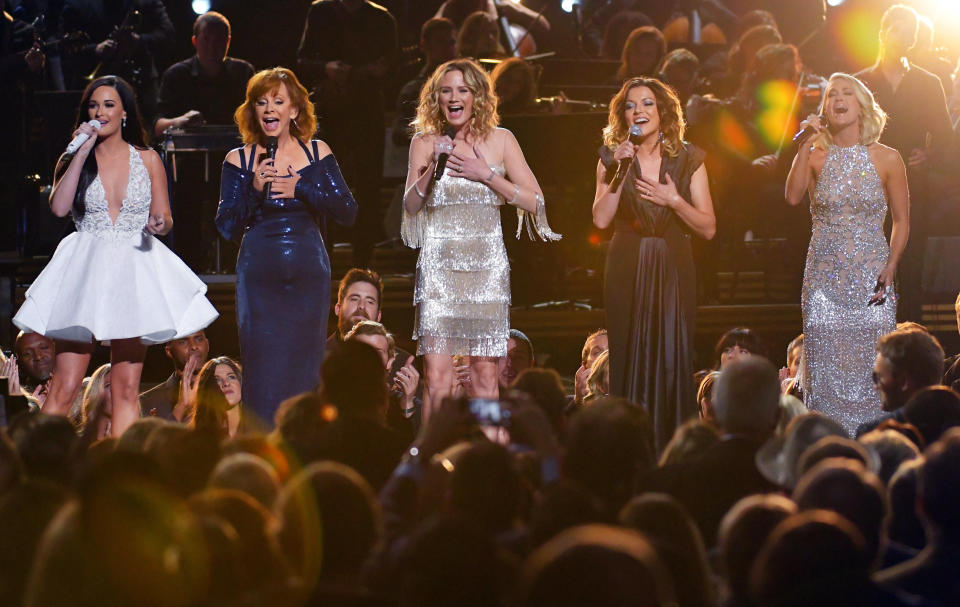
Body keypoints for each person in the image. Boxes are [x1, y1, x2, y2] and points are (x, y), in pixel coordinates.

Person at [12, 75, 217, 437]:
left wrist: (159, 222)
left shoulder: (149, 158)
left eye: (108, 104)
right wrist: (79, 151)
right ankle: (39, 465)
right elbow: (59, 208)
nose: (100, 111)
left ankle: (122, 471)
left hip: (132, 272)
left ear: (124, 111)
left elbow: (166, 217)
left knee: (124, 388)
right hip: (85, 273)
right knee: (65, 385)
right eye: (93, 105)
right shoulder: (76, 155)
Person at [401, 58, 560, 420]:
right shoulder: (424, 143)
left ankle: (491, 463)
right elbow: (410, 206)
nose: (454, 98)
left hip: (486, 271)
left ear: (477, 97)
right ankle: (432, 464)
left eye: (463, 90)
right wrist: (431, 171)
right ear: (436, 98)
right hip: (440, 271)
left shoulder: (502, 140)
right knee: (437, 378)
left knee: (485, 374)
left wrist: (486, 174)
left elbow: (535, 201)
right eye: (446, 91)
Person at [216, 67, 357, 428]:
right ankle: (263, 450)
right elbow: (227, 226)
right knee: (263, 364)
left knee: (304, 364)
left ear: (294, 110)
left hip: (308, 275)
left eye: (278, 101)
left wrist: (302, 188)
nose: (269, 109)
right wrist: (253, 191)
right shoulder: (239, 159)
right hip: (259, 278)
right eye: (262, 102)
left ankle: (305, 443)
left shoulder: (316, 151)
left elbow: (348, 211)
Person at [592, 76, 716, 453]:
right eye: (631, 105)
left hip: (672, 262)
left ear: (662, 112)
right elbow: (599, 220)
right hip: (627, 262)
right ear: (622, 114)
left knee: (673, 353)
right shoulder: (611, 158)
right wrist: (617, 172)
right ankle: (628, 450)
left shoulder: (689, 158)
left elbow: (708, 228)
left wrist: (674, 201)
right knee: (627, 352)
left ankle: (673, 449)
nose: (639, 111)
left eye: (647, 104)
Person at [785, 73, 909, 435]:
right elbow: (792, 197)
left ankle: (874, 448)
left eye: (846, 93)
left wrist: (892, 264)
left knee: (874, 366)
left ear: (861, 106)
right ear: (825, 109)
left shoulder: (888, 158)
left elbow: (901, 221)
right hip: (823, 280)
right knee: (825, 371)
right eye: (831, 95)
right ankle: (826, 446)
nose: (838, 99)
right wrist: (803, 145)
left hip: (873, 277)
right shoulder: (815, 156)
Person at [855, 5, 953, 323]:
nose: (905, 38)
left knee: (910, 270)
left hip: (912, 187)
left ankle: (909, 342)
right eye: (899, 30)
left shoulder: (928, 82)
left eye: (910, 33)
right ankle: (870, 346)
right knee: (868, 270)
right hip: (869, 188)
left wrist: (930, 156)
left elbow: (946, 139)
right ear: (883, 34)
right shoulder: (861, 83)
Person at [297, 0, 398, 266]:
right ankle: (322, 258)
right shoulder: (321, 12)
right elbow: (302, 60)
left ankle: (363, 261)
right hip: (332, 111)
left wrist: (359, 74)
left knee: (368, 188)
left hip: (367, 111)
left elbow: (392, 67)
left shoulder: (381, 18)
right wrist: (326, 68)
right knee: (325, 184)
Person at [153, 11, 254, 138]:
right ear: (195, 41)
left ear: (227, 41)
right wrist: (179, 121)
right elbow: (157, 127)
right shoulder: (176, 75)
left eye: (218, 40)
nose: (212, 47)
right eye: (206, 39)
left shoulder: (244, 72)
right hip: (189, 156)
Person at [139, 330, 210, 422]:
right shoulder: (146, 402)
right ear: (169, 351)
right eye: (183, 342)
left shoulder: (227, 390)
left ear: (207, 344)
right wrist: (181, 407)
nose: (194, 346)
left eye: (199, 339)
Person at [191, 356, 243, 439]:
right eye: (217, 380)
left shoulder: (259, 423)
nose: (225, 383)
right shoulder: (199, 437)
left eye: (231, 377)